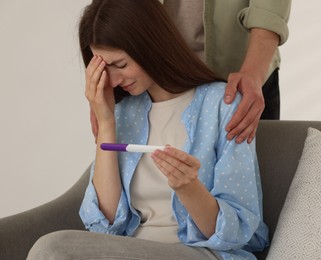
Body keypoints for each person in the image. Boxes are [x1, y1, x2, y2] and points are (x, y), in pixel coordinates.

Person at [27, 0, 268, 259]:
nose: (115, 79)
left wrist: (188, 186)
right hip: (130, 250)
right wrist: (106, 121)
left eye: (120, 65)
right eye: (103, 68)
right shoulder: (122, 113)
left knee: (53, 249)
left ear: (151, 46)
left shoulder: (224, 105)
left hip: (202, 252)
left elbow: (238, 232)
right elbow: (105, 225)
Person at [89, 0, 291, 144]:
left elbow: (243, 202)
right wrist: (102, 82)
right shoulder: (127, 96)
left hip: (242, 77)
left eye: (120, 66)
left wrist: (253, 72)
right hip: (157, 79)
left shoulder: (227, 104)